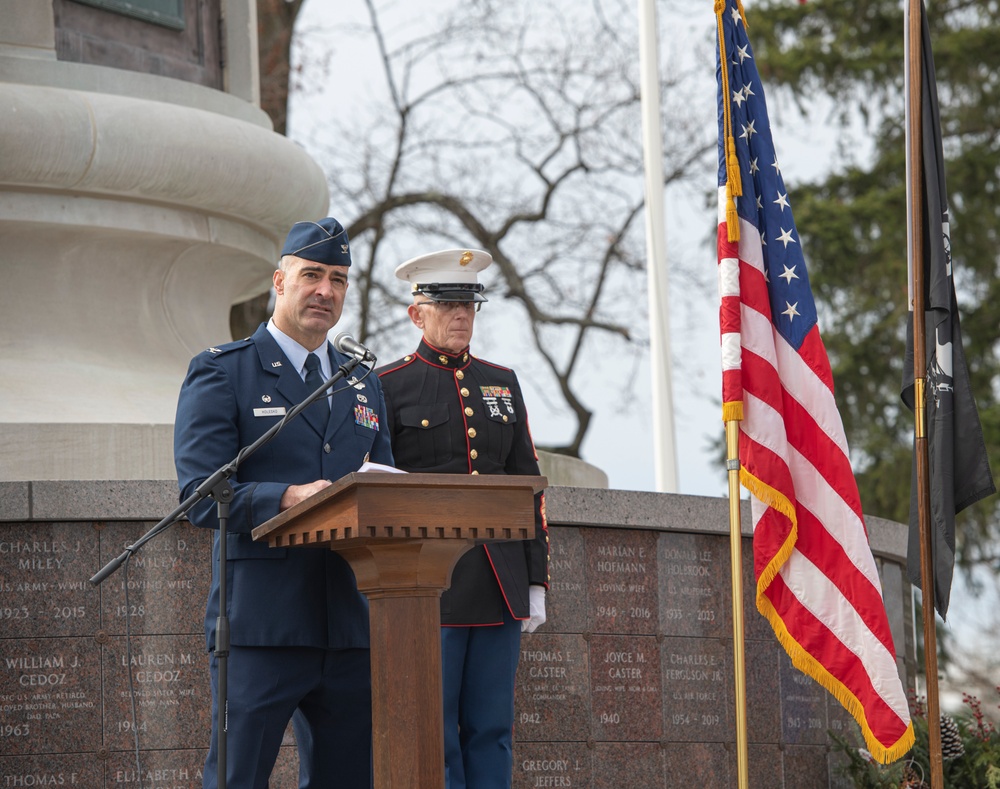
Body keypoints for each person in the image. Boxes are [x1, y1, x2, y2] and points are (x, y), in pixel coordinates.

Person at [173, 217, 393, 789]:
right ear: (279, 281)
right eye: (311, 275)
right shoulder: (224, 370)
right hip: (262, 625)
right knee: (238, 778)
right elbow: (200, 495)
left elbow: (386, 487)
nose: (325, 290)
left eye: (338, 279)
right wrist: (289, 497)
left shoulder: (363, 383)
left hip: (351, 624)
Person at [376, 248, 550, 789]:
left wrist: (536, 580)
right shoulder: (387, 386)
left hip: (500, 581)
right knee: (436, 729)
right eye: (448, 305)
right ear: (416, 314)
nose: (460, 316)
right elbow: (377, 487)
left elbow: (528, 485)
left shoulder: (502, 381)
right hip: (429, 585)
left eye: (468, 306)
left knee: (492, 729)